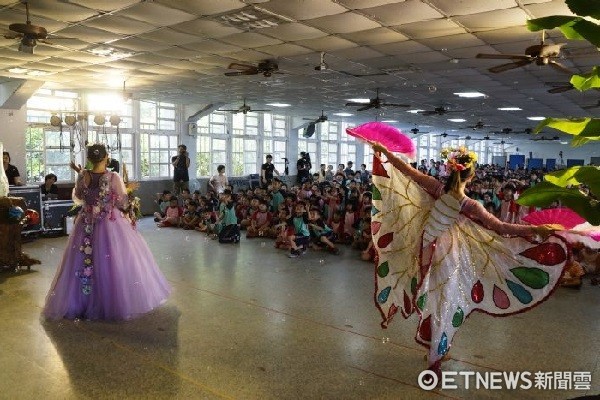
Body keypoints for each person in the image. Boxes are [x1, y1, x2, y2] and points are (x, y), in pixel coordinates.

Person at [370, 140, 563, 376]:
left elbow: (407, 170)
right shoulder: (470, 204)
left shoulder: (437, 188)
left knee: (436, 300)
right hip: (442, 257)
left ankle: (434, 346)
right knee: (446, 303)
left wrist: (386, 152)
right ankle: (435, 353)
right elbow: (502, 228)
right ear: (470, 178)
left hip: (422, 250)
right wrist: (535, 230)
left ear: (451, 172)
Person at [43, 144, 170, 321]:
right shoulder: (113, 176)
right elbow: (122, 202)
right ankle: (111, 301)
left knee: (82, 260)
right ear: (106, 157)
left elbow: (79, 197)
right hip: (109, 222)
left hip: (86, 222)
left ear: (89, 158)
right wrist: (128, 190)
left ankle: (80, 301)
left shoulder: (82, 176)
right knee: (112, 261)